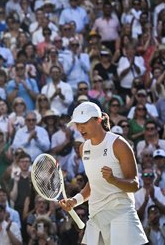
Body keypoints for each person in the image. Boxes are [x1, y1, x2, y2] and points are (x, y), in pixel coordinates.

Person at [59, 101, 147, 245]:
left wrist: (114, 180)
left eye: (84, 123)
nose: (80, 128)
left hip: (120, 214)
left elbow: (134, 185)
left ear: (98, 120)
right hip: (95, 215)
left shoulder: (119, 144)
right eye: (78, 124)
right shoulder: (83, 148)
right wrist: (75, 201)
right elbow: (93, 184)